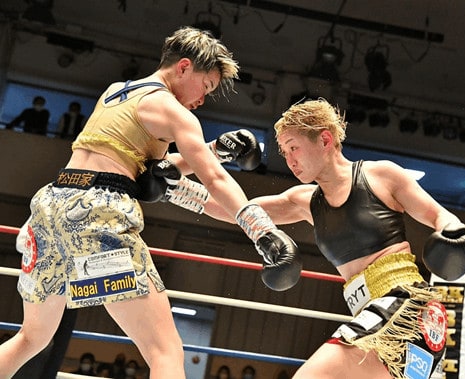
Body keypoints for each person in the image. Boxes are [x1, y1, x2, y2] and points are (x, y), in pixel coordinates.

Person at [0, 26, 300, 379]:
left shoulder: (116, 93)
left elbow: (151, 172)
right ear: (184, 67)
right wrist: (262, 231)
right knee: (166, 352)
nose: (203, 100)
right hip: (98, 212)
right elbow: (213, 180)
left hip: (51, 207)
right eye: (206, 86)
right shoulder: (176, 113)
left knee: (32, 337)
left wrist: (217, 150)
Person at [174, 99, 465, 378]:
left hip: (405, 309)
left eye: (293, 147)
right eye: (284, 152)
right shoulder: (304, 200)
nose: (289, 160)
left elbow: (440, 216)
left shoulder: (380, 176)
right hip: (380, 320)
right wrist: (174, 190)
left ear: (325, 140)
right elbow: (237, 210)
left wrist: (454, 232)